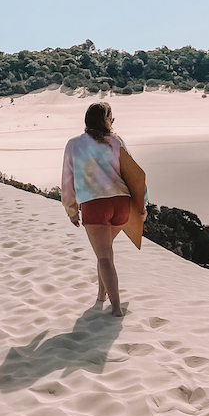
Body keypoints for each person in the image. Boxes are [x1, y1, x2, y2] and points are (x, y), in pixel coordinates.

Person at [61, 102, 145, 317]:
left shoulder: (73, 144)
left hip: (95, 204)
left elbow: (67, 180)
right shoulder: (116, 142)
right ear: (106, 120)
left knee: (104, 256)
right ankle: (101, 295)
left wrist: (71, 210)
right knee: (105, 252)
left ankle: (116, 308)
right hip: (121, 204)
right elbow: (133, 174)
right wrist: (142, 205)